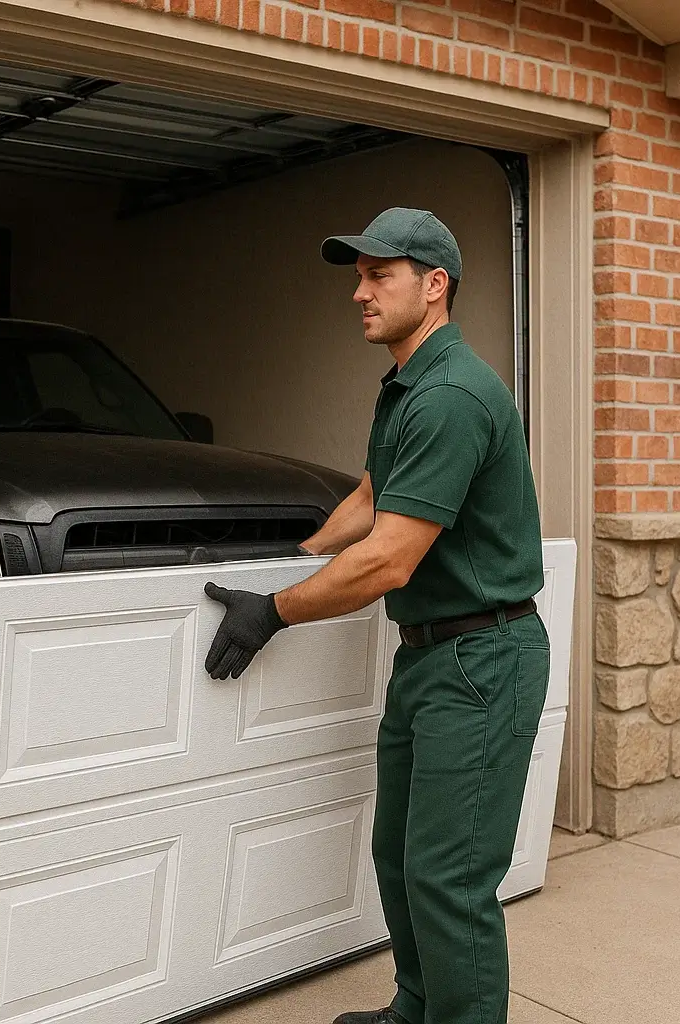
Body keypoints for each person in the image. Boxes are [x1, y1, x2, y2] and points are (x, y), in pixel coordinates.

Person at [204, 208, 549, 1024]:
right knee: (399, 858)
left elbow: (391, 556)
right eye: (357, 276)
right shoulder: (406, 386)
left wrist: (276, 612)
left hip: (483, 658)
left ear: (435, 287)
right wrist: (292, 563)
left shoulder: (454, 396)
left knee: (451, 876)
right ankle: (416, 1008)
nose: (358, 293)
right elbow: (368, 500)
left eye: (377, 275)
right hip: (432, 655)